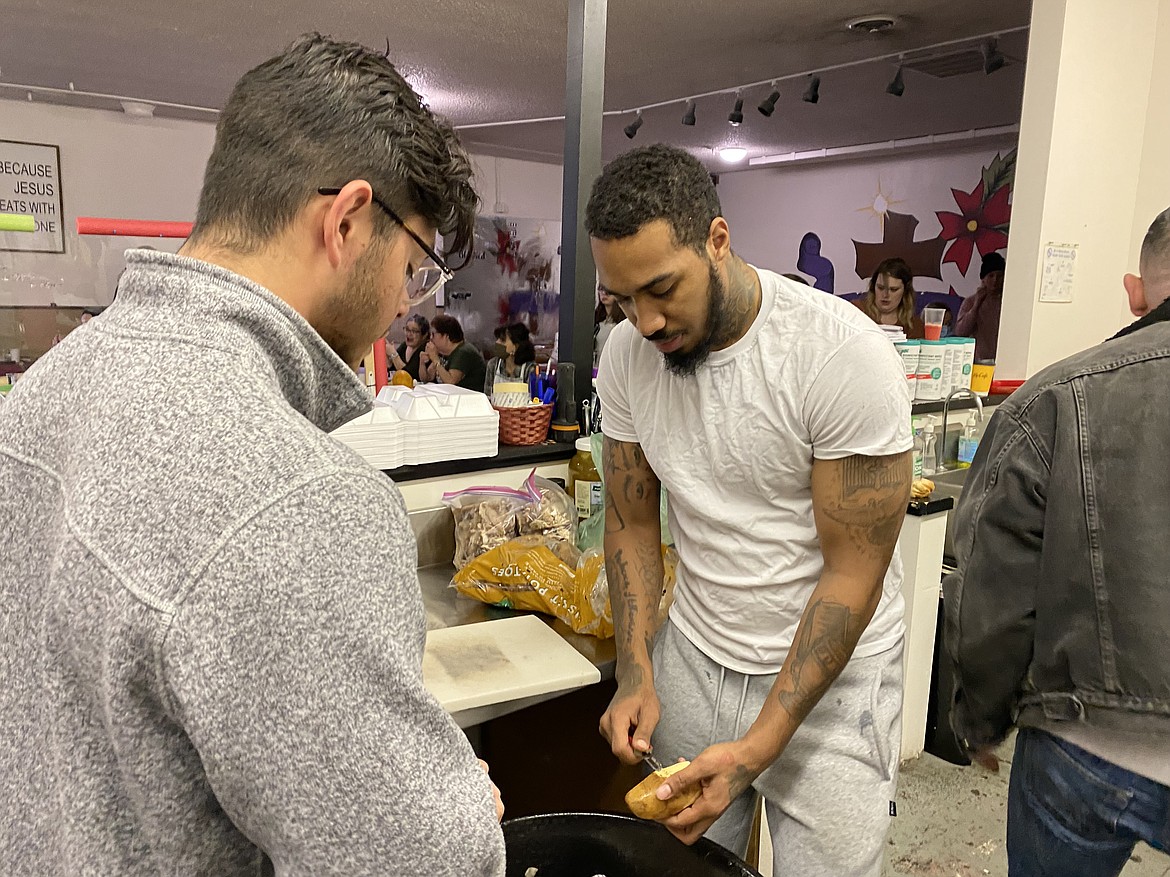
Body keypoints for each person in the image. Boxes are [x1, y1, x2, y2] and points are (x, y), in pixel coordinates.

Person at [0, 34, 506, 876]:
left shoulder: (47, 392)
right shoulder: (301, 497)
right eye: (413, 269)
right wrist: (449, 802)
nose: (402, 304)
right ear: (345, 221)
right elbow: (417, 860)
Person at [588, 144, 912, 876]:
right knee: (682, 869)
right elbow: (633, 521)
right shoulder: (628, 354)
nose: (643, 320)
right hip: (697, 660)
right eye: (622, 299)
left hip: (834, 679)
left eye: (662, 288)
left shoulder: (840, 357)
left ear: (718, 240)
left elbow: (853, 573)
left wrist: (760, 746)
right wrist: (635, 668)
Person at [944, 207, 1170, 876]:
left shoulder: (1059, 397)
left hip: (1087, 744)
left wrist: (979, 718)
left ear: (1135, 290)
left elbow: (990, 578)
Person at [855, 257, 925, 338]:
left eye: (893, 289)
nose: (885, 295)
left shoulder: (914, 326)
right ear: (873, 287)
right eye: (880, 288)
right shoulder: (856, 311)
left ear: (905, 291)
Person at [955, 252, 1005, 359]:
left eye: (999, 276)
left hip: (1003, 359)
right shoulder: (971, 301)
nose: (995, 280)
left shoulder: (1008, 301)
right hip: (979, 362)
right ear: (983, 279)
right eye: (991, 276)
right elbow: (960, 332)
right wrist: (976, 306)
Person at [421, 313, 487, 392]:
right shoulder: (442, 351)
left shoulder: (463, 352)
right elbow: (427, 378)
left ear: (446, 336)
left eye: (433, 334)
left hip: (468, 399)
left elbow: (451, 381)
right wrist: (422, 363)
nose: (431, 338)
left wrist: (435, 360)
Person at [484, 322, 536, 395]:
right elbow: (487, 395)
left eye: (502, 340)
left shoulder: (529, 369)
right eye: (497, 339)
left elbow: (534, 400)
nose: (497, 342)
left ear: (515, 347)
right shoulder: (493, 365)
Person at [388, 313, 430, 381]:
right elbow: (393, 369)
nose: (409, 334)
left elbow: (409, 375)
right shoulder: (404, 345)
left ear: (424, 335)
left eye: (414, 331)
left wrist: (393, 354)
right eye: (407, 329)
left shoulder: (425, 349)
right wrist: (388, 359)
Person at [594, 284, 627, 363]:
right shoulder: (596, 319)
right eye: (601, 289)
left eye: (608, 290)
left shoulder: (624, 323)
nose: (604, 293)